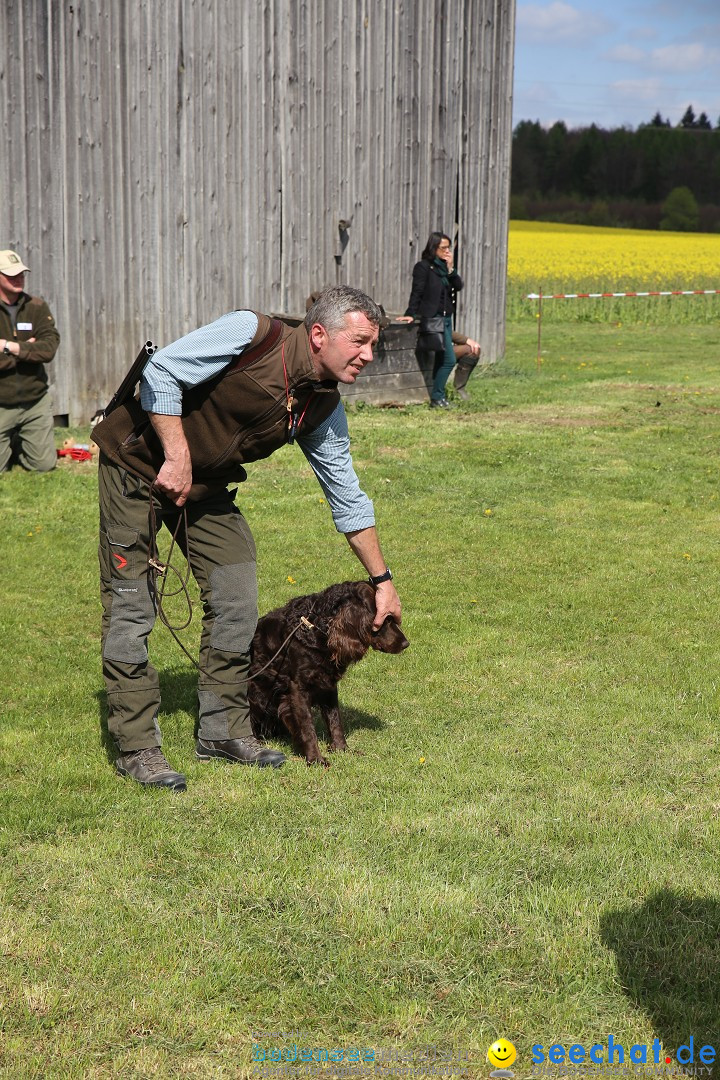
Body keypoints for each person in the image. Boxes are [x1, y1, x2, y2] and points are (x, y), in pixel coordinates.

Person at [92, 286, 402, 792]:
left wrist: (381, 581)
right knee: (131, 607)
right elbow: (161, 371)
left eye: (374, 345)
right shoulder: (251, 333)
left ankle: (222, 730)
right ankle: (137, 746)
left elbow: (347, 497)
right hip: (137, 465)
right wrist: (176, 454)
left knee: (236, 595)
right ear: (320, 335)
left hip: (206, 486)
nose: (369, 356)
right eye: (361, 342)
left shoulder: (322, 406)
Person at [398, 232, 480, 407]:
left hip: (446, 319)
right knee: (449, 360)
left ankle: (439, 397)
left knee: (442, 359)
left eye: (448, 248)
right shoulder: (424, 267)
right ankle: (437, 397)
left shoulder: (445, 269)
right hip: (433, 319)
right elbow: (417, 291)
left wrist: (451, 268)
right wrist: (411, 313)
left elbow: (458, 286)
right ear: (433, 248)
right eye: (443, 248)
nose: (447, 251)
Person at [0, 249, 60, 471]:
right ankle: (13, 441)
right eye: (11, 275)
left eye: (21, 274)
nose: (18, 279)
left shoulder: (36, 306)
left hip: (35, 401)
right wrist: (29, 349)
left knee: (44, 466)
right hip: (1, 403)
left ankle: (20, 440)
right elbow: (37, 351)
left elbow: (49, 349)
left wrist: (9, 347)